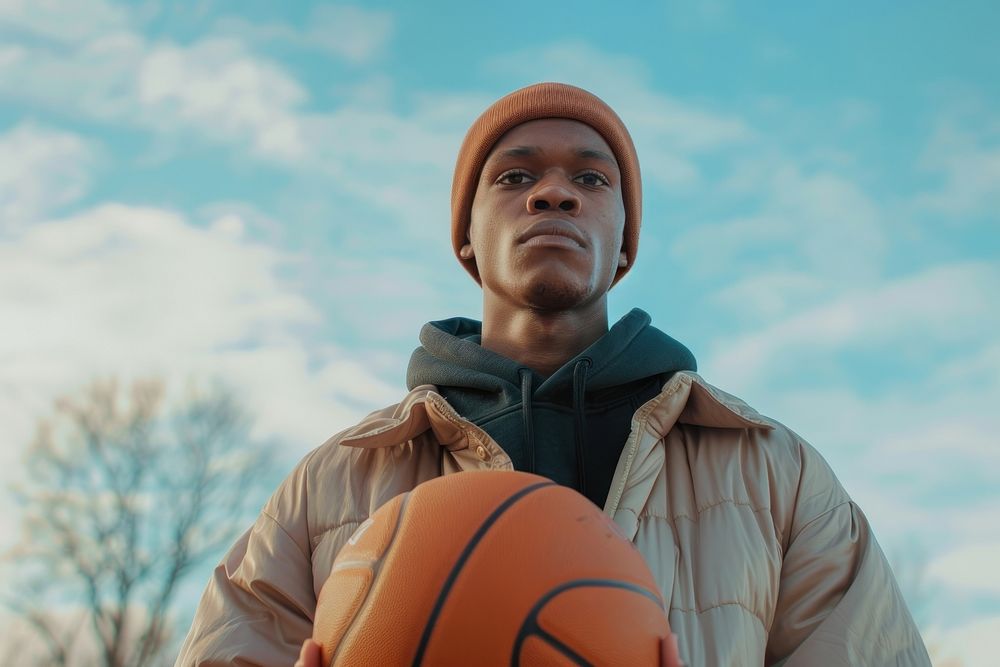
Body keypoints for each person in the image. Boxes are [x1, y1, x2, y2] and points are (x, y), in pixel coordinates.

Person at [176, 83, 930, 666]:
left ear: (625, 242)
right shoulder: (332, 483)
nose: (554, 192)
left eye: (593, 180)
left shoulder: (775, 471)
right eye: (513, 176)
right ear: (466, 239)